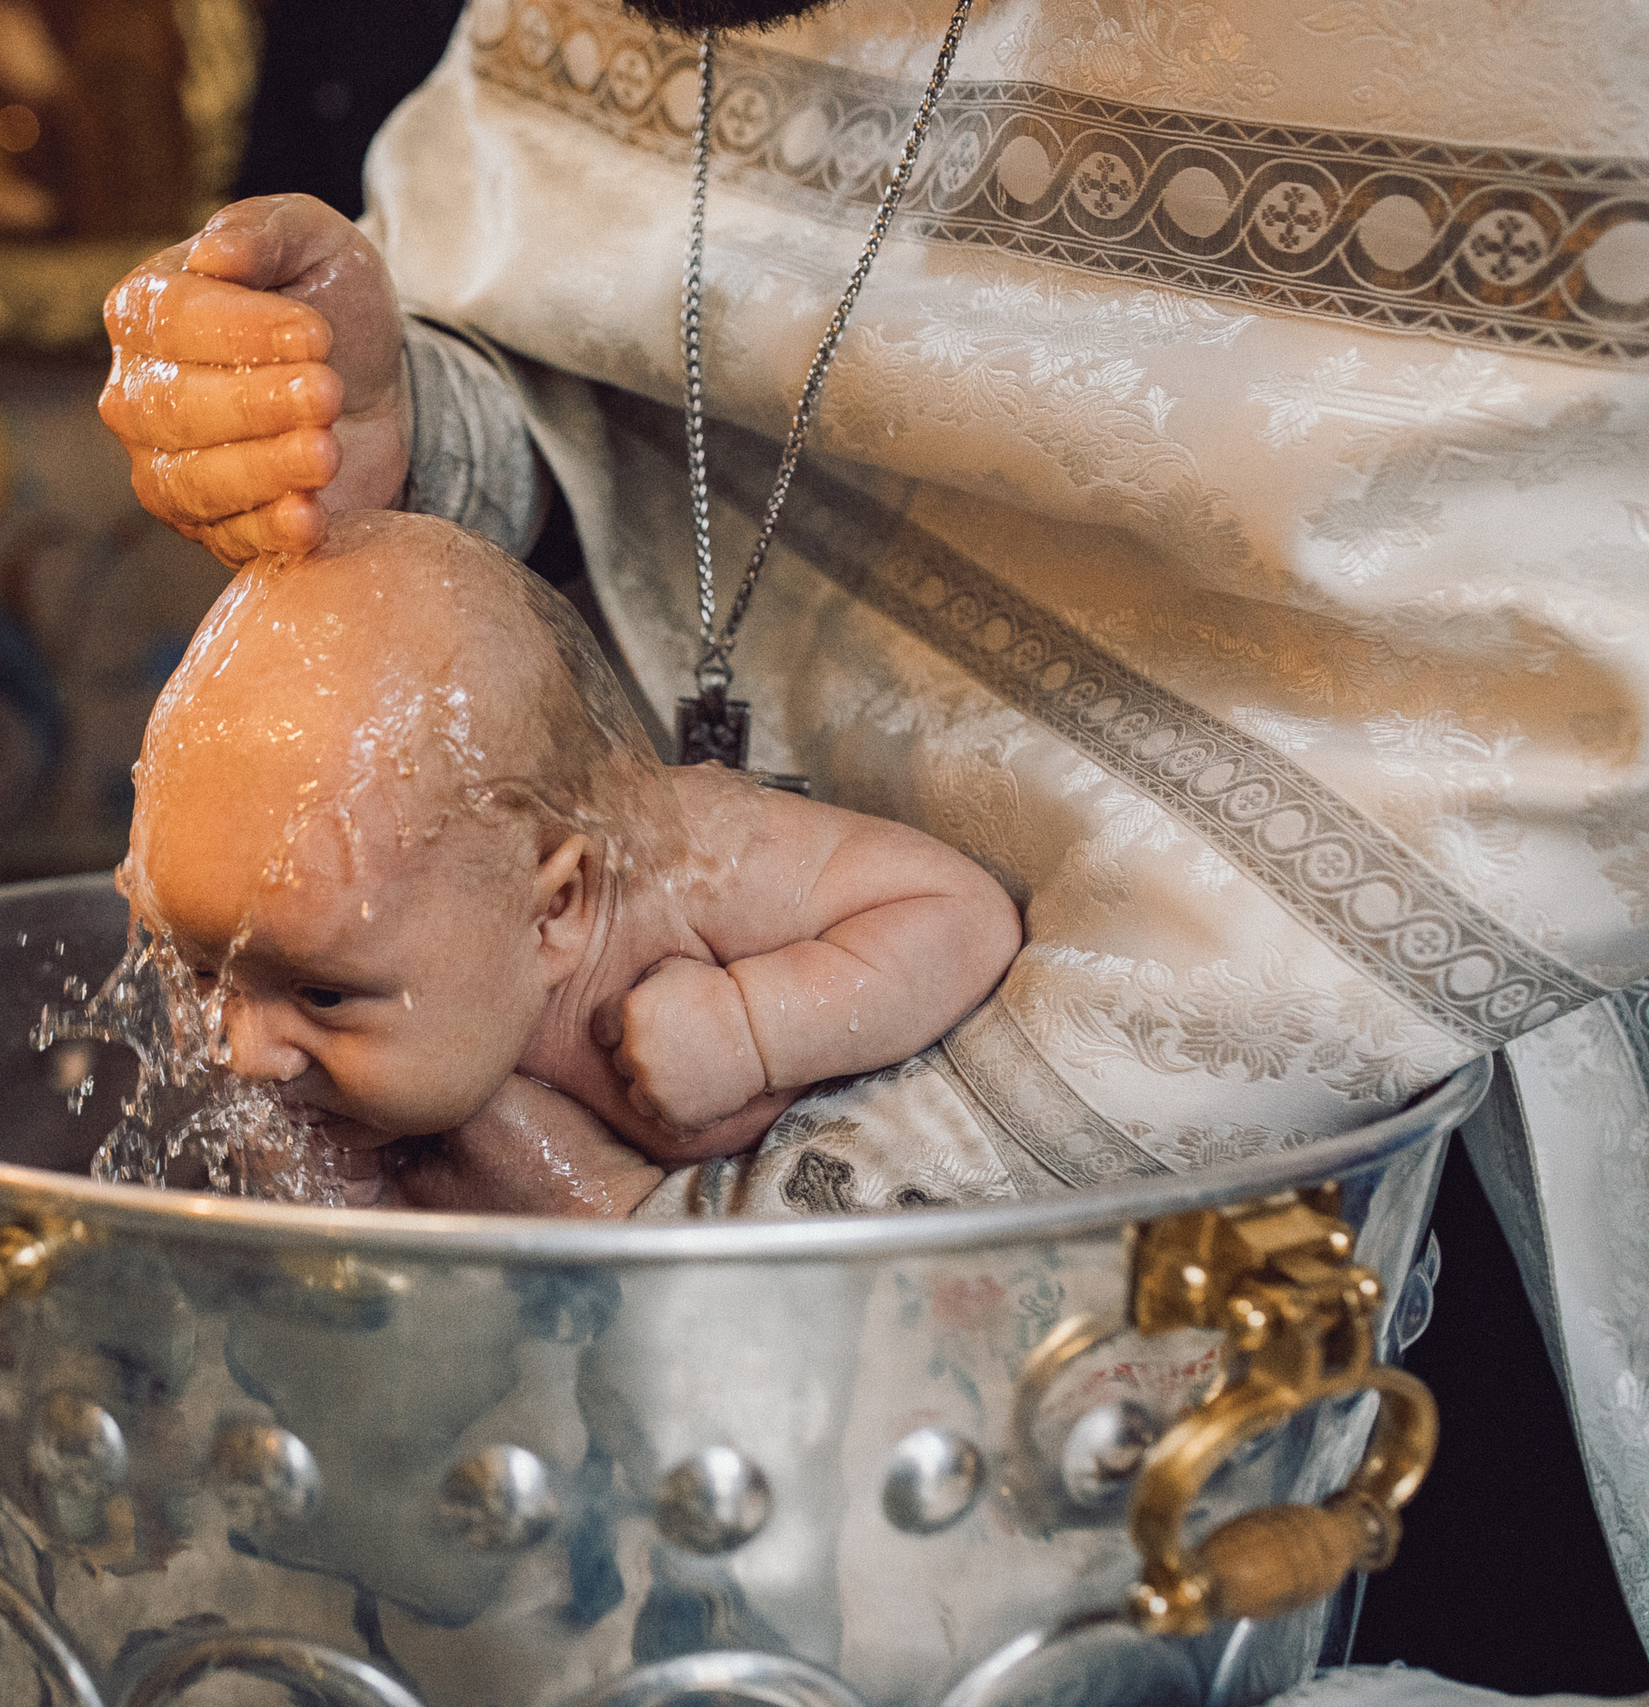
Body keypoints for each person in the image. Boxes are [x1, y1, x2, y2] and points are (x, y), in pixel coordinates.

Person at [98, 0, 1649, 1691]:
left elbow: (1559, 640)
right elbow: (622, 384)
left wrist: (758, 1185)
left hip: (1322, 1245)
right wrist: (408, 426)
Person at [122, 509, 1020, 1212]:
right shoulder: (372, 990)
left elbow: (960, 914)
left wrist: (754, 1025)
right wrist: (338, 1188)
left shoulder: (693, 865)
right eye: (207, 975)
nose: (243, 1052)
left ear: (557, 906)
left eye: (321, 994)